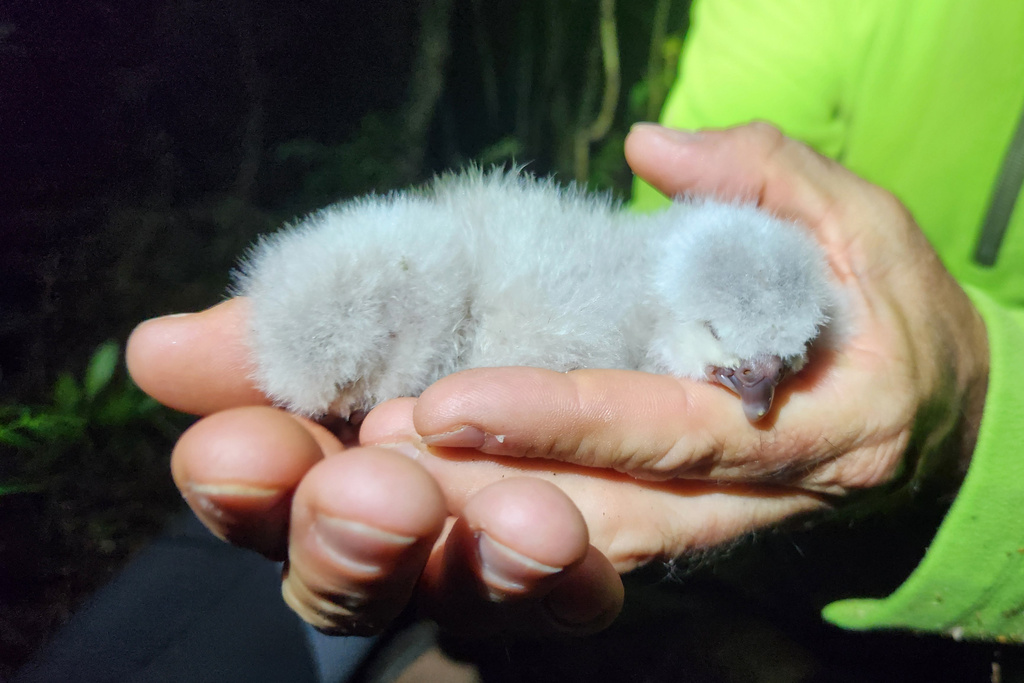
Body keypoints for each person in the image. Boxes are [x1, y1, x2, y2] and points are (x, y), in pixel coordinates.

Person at [125, 0, 1022, 650]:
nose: (757, 396)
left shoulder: (671, 302)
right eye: (743, 362)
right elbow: (646, 239)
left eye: (769, 369)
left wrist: (976, 406)